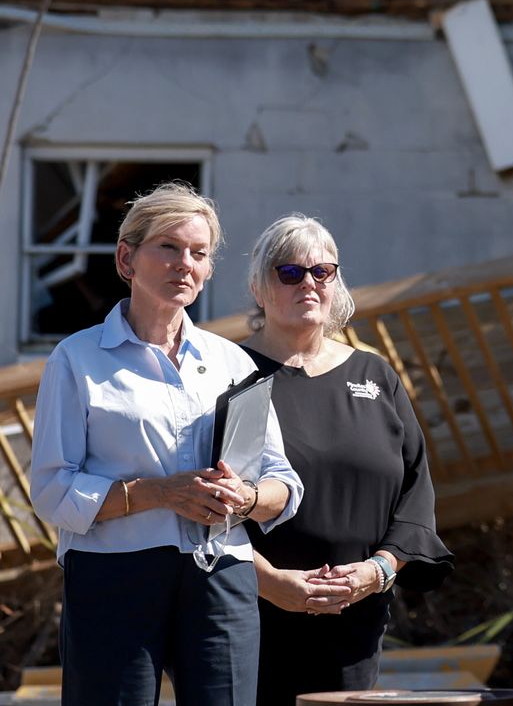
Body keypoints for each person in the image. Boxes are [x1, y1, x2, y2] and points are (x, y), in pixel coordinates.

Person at [28, 182, 304, 706]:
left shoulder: (233, 363)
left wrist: (244, 499)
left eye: (198, 254)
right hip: (114, 576)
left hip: (222, 571)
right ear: (126, 258)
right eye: (169, 248)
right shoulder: (76, 358)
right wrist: (160, 493)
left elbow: (282, 482)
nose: (185, 264)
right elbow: (51, 490)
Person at [238, 214, 453, 703]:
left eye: (322, 272)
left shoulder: (374, 373)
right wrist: (269, 582)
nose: (307, 284)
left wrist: (377, 570)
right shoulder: (229, 375)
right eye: (288, 272)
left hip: (355, 621)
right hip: (249, 616)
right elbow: (203, 505)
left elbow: (416, 492)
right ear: (258, 287)